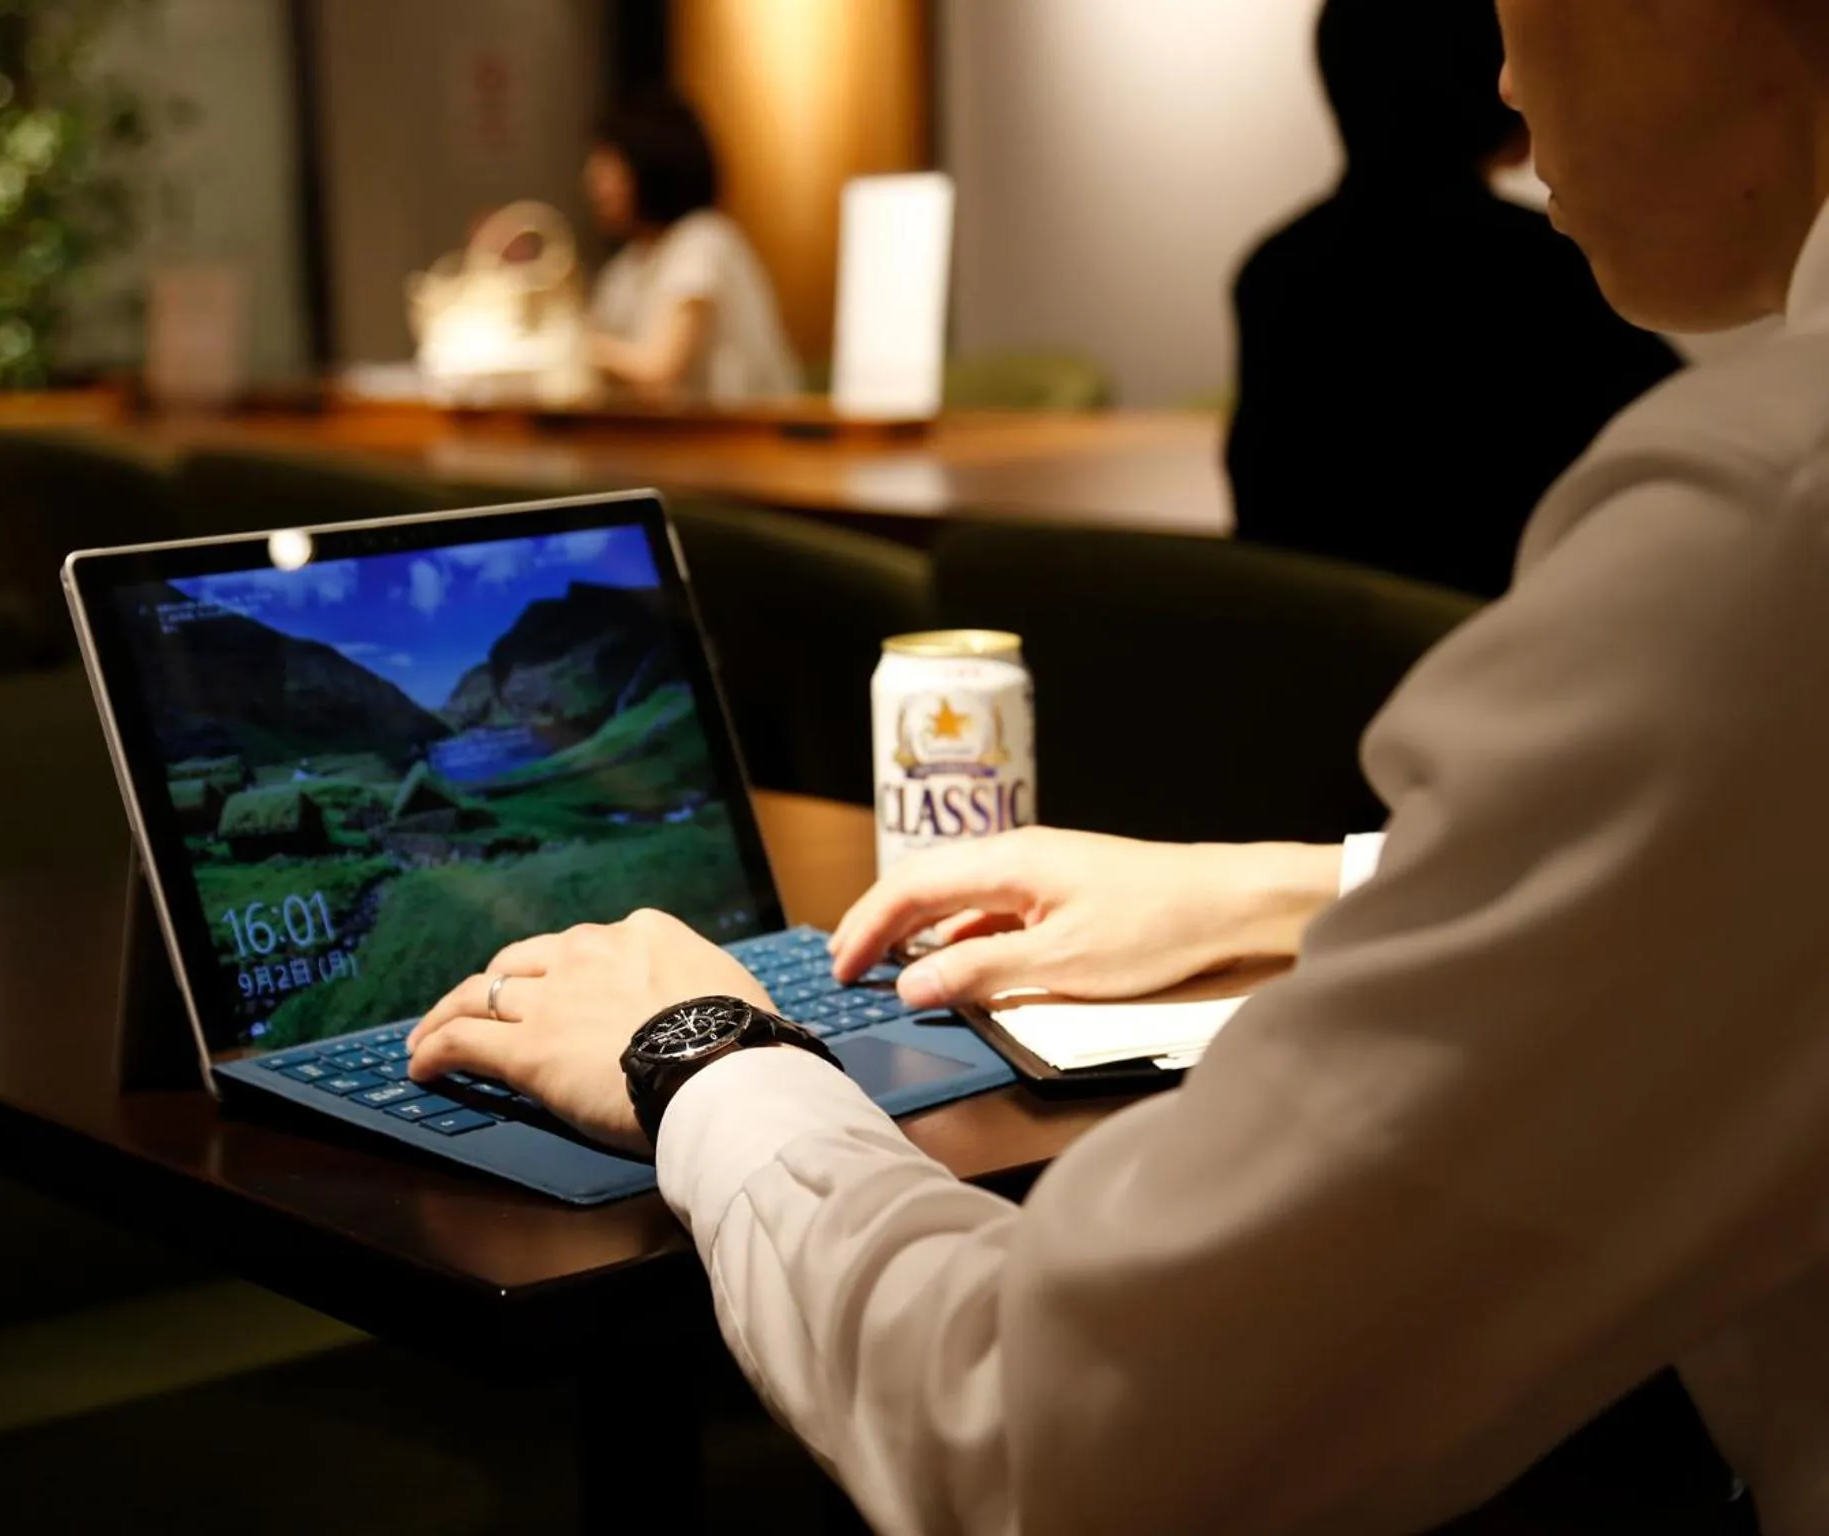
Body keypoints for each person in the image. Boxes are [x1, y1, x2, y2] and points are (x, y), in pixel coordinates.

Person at [409, 4, 1829, 1531]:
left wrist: (699, 1053)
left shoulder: (1759, 532)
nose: (1501, 65)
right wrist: (1297, 885)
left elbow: (1059, 1436)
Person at [1226, 0, 1683, 599]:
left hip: (1308, 652)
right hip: (1506, 638)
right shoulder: (1546, 268)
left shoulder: (1272, 268)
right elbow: (1679, 436)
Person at [583, 88, 801, 404]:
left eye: (608, 167)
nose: (593, 181)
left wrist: (566, 345)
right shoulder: (628, 266)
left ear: (650, 165)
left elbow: (657, 370)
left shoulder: (704, 240)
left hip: (746, 444)